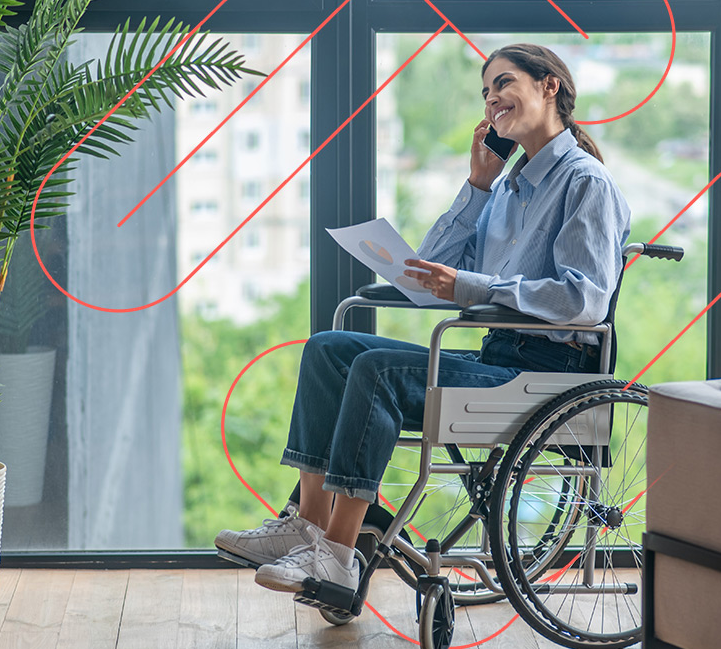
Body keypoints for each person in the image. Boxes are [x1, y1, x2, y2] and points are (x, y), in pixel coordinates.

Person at [213, 43, 632, 612]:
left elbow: (584, 299)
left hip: (546, 371)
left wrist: (471, 286)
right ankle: (308, 525)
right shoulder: (506, 189)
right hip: (497, 359)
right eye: (486, 92)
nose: (492, 101)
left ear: (549, 86)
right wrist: (478, 184)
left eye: (504, 84)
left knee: (376, 369)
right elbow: (426, 272)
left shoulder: (586, 184)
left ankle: (337, 554)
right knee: (328, 348)